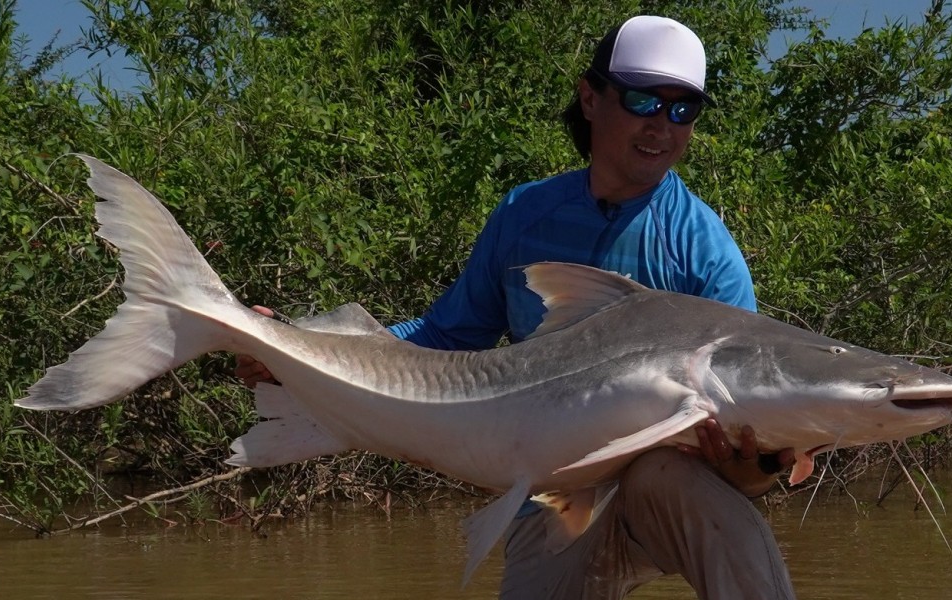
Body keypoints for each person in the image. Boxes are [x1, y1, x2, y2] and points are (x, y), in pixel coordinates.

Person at [236, 15, 798, 599]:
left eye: (683, 109)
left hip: (667, 487)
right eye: (642, 101)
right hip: (551, 496)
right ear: (590, 98)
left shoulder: (706, 252)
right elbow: (443, 336)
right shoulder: (525, 215)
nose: (662, 124)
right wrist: (296, 349)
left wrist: (754, 469)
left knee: (709, 512)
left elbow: (745, 472)